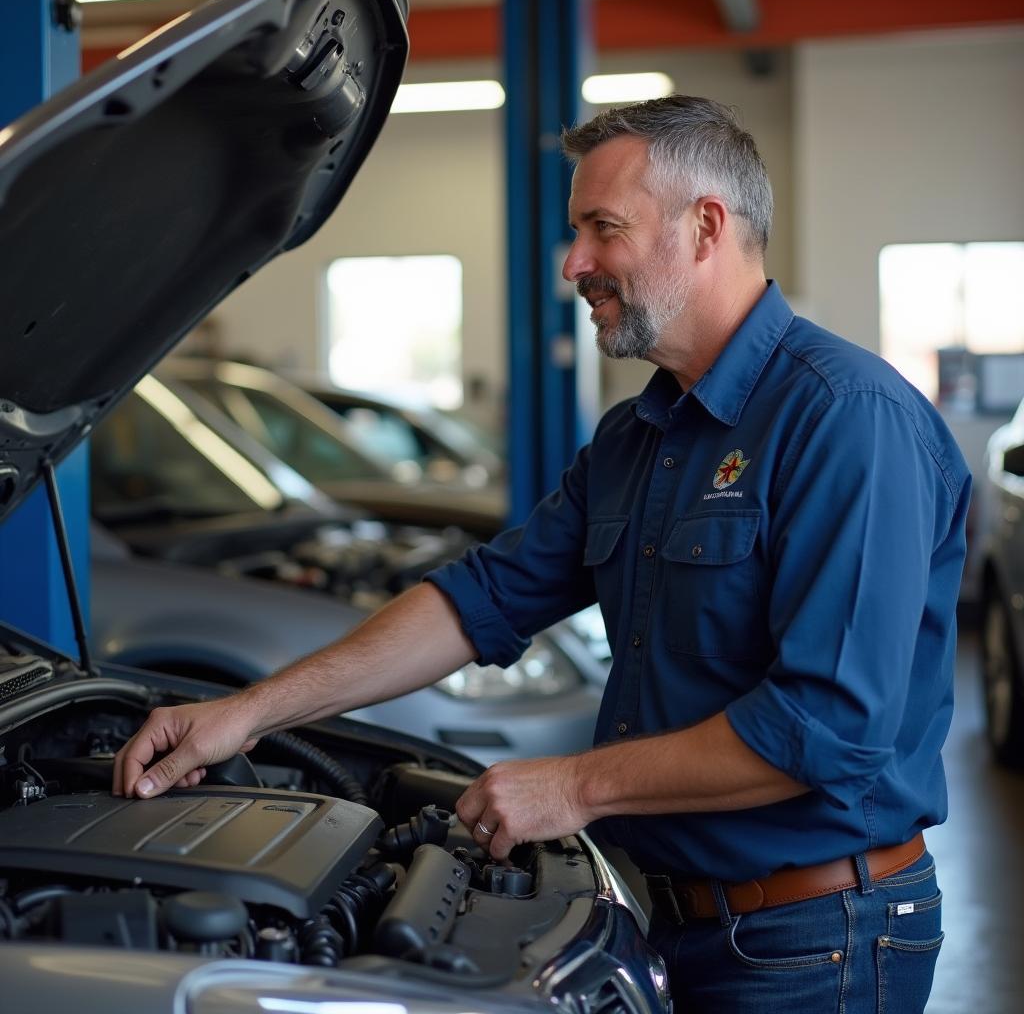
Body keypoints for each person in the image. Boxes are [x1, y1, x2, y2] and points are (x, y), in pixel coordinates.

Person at [113, 96, 969, 1012]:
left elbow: (825, 731)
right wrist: (248, 713)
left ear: (706, 226)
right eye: (576, 233)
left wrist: (574, 787)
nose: (575, 264)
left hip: (817, 940)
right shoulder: (639, 438)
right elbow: (481, 598)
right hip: (672, 918)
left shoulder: (845, 421)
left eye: (604, 229)